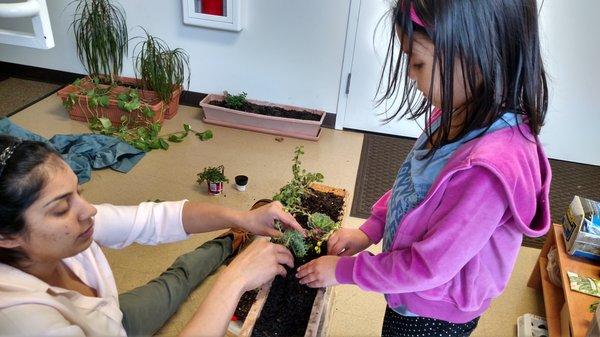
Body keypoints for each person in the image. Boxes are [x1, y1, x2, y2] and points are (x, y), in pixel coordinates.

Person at [297, 0, 551, 336]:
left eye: (417, 63)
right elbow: (414, 189)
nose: (410, 75)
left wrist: (346, 271)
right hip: (410, 290)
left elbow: (430, 266)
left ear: (474, 55)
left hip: (434, 315)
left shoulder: (486, 171)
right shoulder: (456, 112)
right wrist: (370, 230)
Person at [0, 134, 302, 336]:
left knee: (179, 277)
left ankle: (230, 240)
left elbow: (157, 218)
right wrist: (235, 280)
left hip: (112, 319)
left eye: (79, 192)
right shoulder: (21, 321)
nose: (89, 210)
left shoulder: (71, 229)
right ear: (6, 235)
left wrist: (243, 218)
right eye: (61, 207)